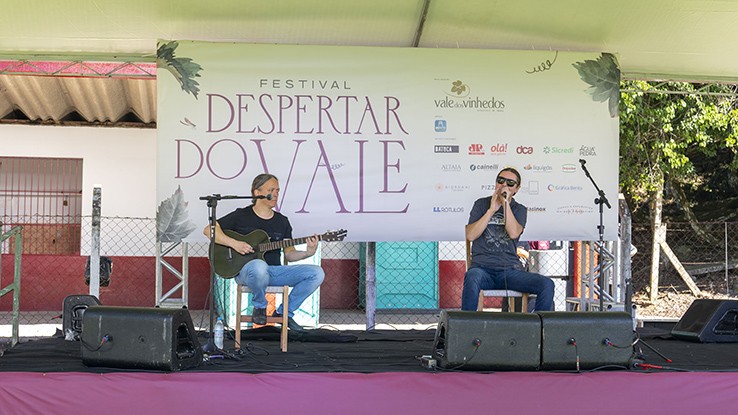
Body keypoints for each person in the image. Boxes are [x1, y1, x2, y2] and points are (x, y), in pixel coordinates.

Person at [203, 173, 324, 331]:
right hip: (247, 273)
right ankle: (260, 306)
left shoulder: (282, 221)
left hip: (274, 272)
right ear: (257, 192)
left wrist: (308, 252)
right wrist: (235, 244)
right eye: (271, 190)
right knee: (259, 266)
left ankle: (284, 313)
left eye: (277, 190)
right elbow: (209, 230)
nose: (275, 194)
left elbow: (289, 254)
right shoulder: (241, 215)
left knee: (317, 273)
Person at [461, 167, 554, 311]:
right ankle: (466, 324)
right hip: (482, 269)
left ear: (516, 189)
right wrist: (491, 210)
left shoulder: (519, 209)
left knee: (547, 284)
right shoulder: (481, 204)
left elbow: (513, 233)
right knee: (471, 277)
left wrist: (505, 204)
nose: (504, 185)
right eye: (500, 180)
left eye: (510, 183)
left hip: (510, 271)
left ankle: (539, 324)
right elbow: (471, 235)